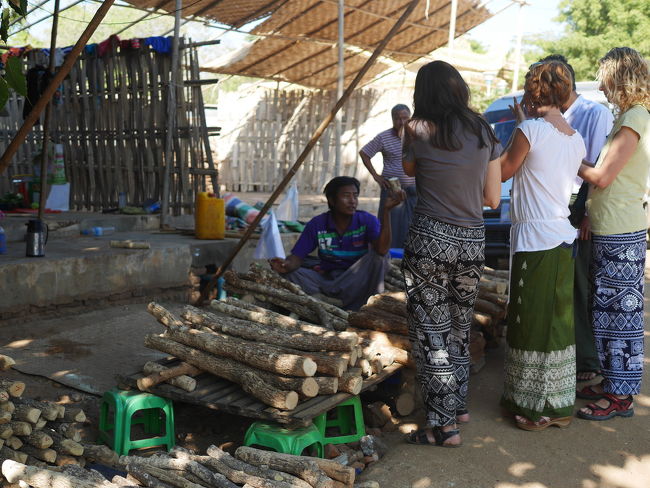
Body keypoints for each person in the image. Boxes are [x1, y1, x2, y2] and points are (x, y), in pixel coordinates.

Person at [400, 61, 501, 447]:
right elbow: (493, 198)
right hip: (473, 242)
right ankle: (458, 407)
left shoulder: (417, 128)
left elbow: (408, 170)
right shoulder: (483, 129)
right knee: (460, 328)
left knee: (432, 334)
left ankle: (443, 428)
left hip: (428, 241)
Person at [499, 61, 586, 431]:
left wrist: (517, 127)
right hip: (560, 237)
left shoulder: (530, 130)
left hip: (535, 241)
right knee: (556, 322)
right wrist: (524, 122)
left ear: (534, 91)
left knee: (530, 321)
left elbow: (503, 170)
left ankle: (533, 407)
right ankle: (558, 405)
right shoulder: (575, 137)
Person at [576, 47, 649, 421]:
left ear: (620, 77)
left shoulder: (635, 117)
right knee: (606, 312)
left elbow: (603, 176)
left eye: (605, 80)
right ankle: (613, 382)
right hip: (611, 226)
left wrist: (567, 154)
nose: (602, 88)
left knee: (619, 315)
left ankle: (620, 396)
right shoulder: (628, 116)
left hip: (622, 231)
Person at [539, 54, 615, 382]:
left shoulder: (593, 113)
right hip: (550, 211)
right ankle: (563, 353)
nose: (536, 91)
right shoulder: (547, 117)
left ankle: (587, 361)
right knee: (557, 286)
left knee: (580, 286)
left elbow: (597, 170)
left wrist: (584, 214)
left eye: (541, 84)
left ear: (560, 84)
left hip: (577, 210)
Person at [269, 176, 403, 311]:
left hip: (357, 280)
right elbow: (297, 257)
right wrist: (285, 265)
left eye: (355, 196)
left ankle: (363, 305)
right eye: (346, 196)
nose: (352, 201)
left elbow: (382, 250)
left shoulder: (367, 220)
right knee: (291, 274)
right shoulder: (318, 224)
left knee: (379, 258)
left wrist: (386, 211)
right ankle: (330, 301)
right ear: (332, 200)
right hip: (328, 279)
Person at [360, 104, 416, 248]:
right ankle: (389, 256)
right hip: (392, 189)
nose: (402, 122)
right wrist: (376, 176)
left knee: (413, 227)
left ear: (410, 118)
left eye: (405, 118)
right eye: (398, 118)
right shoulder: (384, 137)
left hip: (414, 191)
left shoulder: (417, 137)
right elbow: (364, 153)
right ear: (392, 119)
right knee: (389, 224)